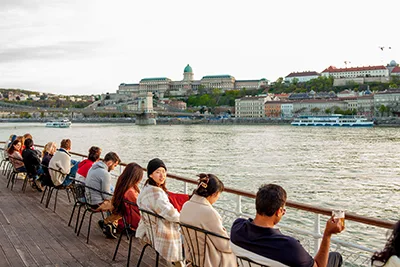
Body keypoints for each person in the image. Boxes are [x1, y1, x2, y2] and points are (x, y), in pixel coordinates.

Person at [230, 184, 344, 267]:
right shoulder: (289, 247)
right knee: (336, 257)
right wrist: (327, 234)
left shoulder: (237, 228)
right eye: (284, 210)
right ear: (279, 211)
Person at [180, 173, 236, 266]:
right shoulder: (210, 213)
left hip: (193, 258)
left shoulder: (186, 205)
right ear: (214, 194)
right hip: (209, 261)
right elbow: (224, 246)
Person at [135, 158, 184, 266]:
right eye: (158, 172)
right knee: (188, 238)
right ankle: (179, 263)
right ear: (150, 175)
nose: (162, 175)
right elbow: (172, 215)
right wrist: (185, 219)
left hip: (149, 230)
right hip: (157, 235)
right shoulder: (156, 194)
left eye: (164, 171)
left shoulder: (146, 189)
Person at [99, 162, 143, 238]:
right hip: (132, 220)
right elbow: (139, 207)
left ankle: (110, 223)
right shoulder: (131, 192)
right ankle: (111, 224)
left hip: (123, 215)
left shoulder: (122, 184)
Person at [85, 152, 120, 236]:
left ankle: (110, 224)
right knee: (122, 207)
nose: (114, 168)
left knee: (115, 202)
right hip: (96, 204)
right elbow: (106, 196)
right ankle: (107, 223)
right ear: (110, 163)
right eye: (114, 166)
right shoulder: (105, 174)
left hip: (88, 200)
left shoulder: (93, 167)